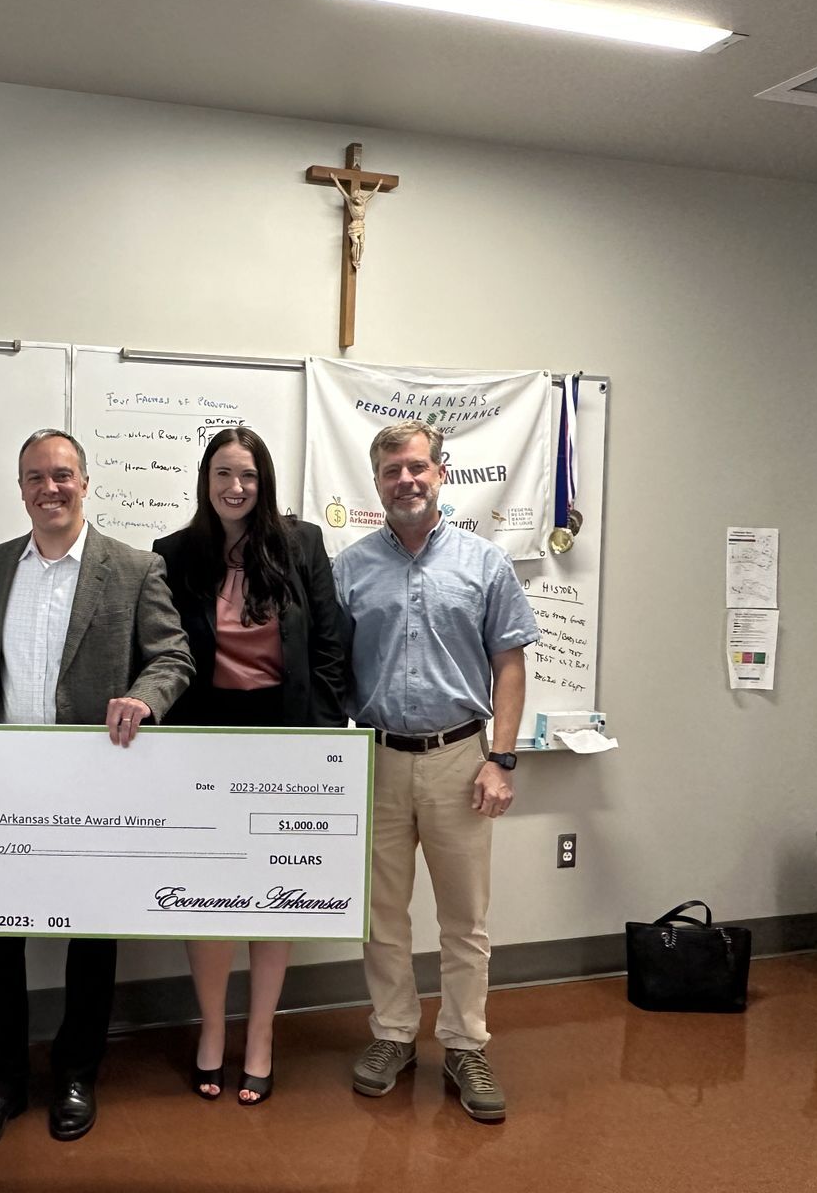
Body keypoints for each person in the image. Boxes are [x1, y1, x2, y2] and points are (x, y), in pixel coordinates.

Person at [0, 428, 193, 1157]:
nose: (48, 488)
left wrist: (145, 698)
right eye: (34, 477)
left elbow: (174, 655)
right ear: (20, 488)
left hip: (96, 783)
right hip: (4, 783)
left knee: (92, 934)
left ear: (85, 483)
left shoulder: (133, 567)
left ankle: (77, 1073)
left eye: (61, 475)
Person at [331, 420, 538, 1123]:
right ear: (378, 482)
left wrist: (500, 760)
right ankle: (392, 1034)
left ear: (440, 473)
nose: (406, 481)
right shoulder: (350, 568)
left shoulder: (485, 564)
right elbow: (331, 670)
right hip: (378, 758)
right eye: (392, 472)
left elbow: (510, 665)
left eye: (417, 468)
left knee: (464, 920)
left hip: (460, 759)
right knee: (381, 916)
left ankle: (463, 1041)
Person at [151, 427, 348, 1105]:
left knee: (274, 896)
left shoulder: (301, 546)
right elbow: (166, 653)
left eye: (249, 476)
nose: (236, 487)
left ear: (263, 482)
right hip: (204, 747)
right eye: (223, 475)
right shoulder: (173, 555)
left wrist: (322, 743)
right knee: (208, 899)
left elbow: (329, 645)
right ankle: (212, 1029)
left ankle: (260, 1035)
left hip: (286, 744)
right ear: (205, 482)